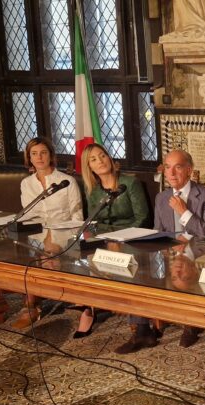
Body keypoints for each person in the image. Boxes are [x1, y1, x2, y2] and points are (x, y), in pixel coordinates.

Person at [114, 149, 205, 354]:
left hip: (198, 254)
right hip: (168, 254)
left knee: (185, 273)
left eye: (177, 167)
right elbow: (158, 231)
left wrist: (184, 212)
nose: (171, 173)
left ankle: (191, 325)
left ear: (189, 170)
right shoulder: (162, 197)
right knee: (138, 271)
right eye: (168, 167)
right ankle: (143, 331)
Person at [74, 143, 151, 338]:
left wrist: (118, 239)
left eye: (102, 156)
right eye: (93, 159)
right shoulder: (93, 190)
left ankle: (139, 324)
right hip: (105, 241)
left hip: (132, 240)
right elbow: (93, 222)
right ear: (89, 167)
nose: (100, 161)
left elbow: (142, 218)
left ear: (109, 158)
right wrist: (104, 240)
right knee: (82, 257)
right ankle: (89, 308)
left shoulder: (130, 183)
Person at [11, 137, 83, 329]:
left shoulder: (67, 181)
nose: (39, 157)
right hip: (36, 233)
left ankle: (39, 302)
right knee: (27, 258)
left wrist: (70, 240)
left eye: (43, 153)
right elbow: (28, 214)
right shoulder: (26, 183)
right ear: (29, 158)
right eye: (34, 154)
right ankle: (31, 306)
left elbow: (77, 216)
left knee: (50, 255)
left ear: (51, 155)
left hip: (64, 232)